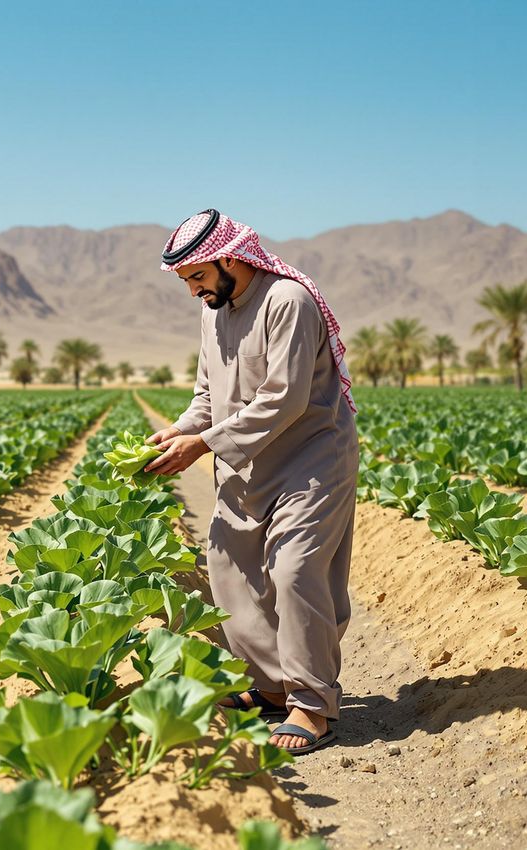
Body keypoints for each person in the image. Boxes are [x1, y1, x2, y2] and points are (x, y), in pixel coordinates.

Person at [143, 209, 359, 755]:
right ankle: (269, 686)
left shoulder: (289, 302)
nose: (193, 290)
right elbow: (208, 396)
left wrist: (205, 444)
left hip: (310, 457)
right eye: (186, 281)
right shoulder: (214, 310)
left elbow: (283, 398)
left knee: (294, 568)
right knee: (228, 563)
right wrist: (180, 430)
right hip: (246, 462)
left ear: (230, 258)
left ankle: (312, 705)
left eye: (197, 276)